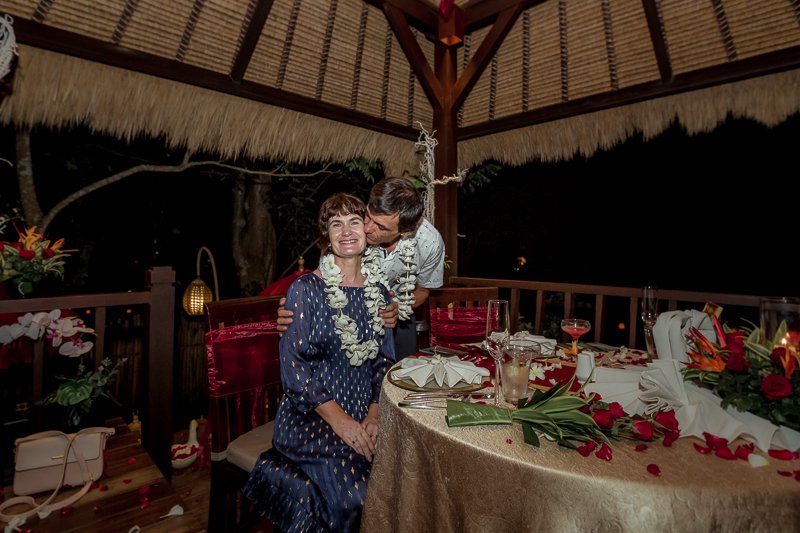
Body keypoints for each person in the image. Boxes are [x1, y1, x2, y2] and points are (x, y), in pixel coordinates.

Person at [243, 192, 395, 532]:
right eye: (336, 224)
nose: (346, 231)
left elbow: (384, 363)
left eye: (354, 221)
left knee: (401, 479)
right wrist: (342, 423)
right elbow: (294, 370)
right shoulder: (305, 289)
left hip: (365, 410)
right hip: (312, 416)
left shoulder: (381, 294)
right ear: (326, 236)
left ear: (367, 230)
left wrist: (373, 416)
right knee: (360, 496)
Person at [277, 176, 445, 359]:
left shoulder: (429, 243)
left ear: (405, 232)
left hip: (396, 313)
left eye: (380, 226)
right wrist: (298, 309)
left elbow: (423, 291)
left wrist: (397, 308)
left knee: (404, 369)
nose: (367, 228)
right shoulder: (350, 235)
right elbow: (323, 283)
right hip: (344, 310)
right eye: (368, 216)